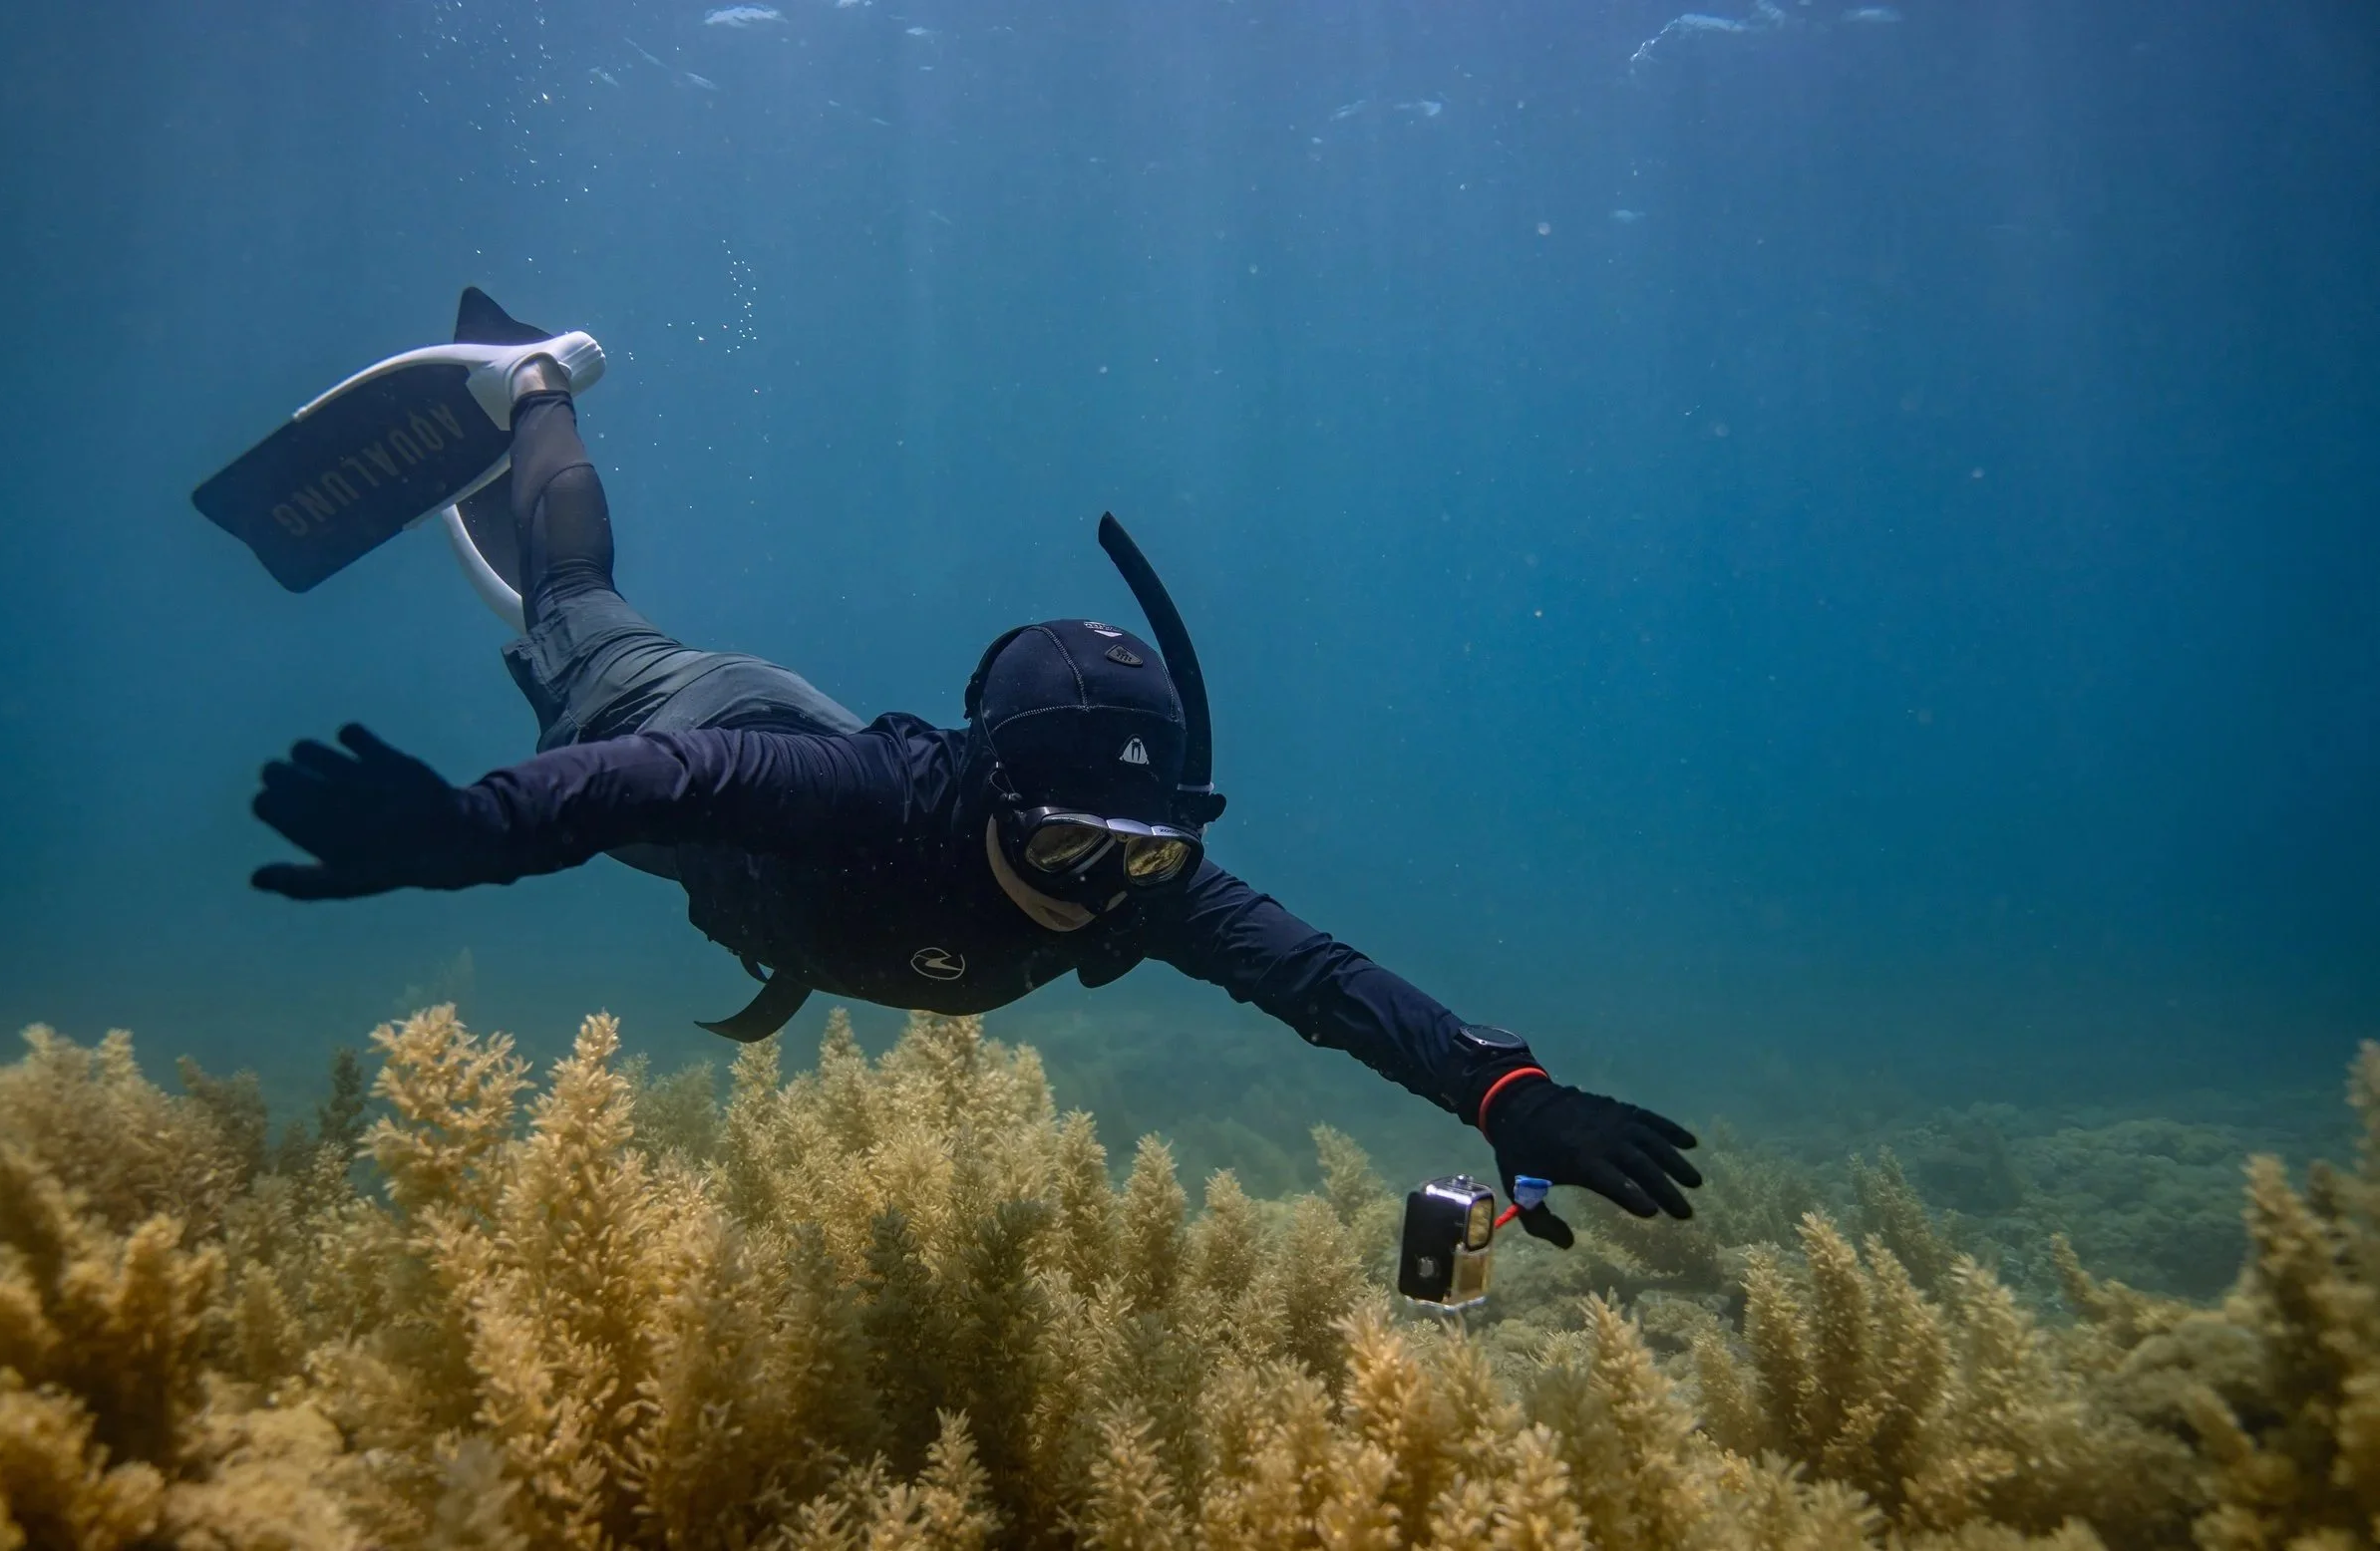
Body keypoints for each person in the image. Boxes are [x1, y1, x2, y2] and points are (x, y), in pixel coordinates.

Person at [247, 300, 1702, 1247]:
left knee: (613, 664)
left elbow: (1321, 980)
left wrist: (1503, 1094)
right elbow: (653, 783)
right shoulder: (883, 802)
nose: (1107, 893)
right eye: (1078, 847)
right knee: (577, 611)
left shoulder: (1142, 883)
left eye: (1143, 854)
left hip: (785, 798)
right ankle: (539, 385)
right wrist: (470, 828)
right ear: (996, 800)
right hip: (710, 727)